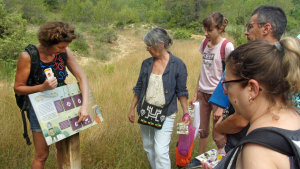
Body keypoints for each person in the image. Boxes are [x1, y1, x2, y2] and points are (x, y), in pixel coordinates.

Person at [207, 37, 300, 169]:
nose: (225, 92)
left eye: (227, 84)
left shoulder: (257, 151)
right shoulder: (295, 116)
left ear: (252, 89)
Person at [14, 22, 89, 169]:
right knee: (42, 156)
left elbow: (82, 78)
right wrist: (42, 87)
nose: (63, 50)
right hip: (40, 108)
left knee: (64, 150)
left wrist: (85, 105)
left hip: (63, 104)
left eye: (65, 46)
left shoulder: (65, 52)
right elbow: (18, 88)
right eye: (60, 47)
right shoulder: (28, 56)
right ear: (48, 42)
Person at [128, 27, 190, 169]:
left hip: (166, 113)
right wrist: (132, 108)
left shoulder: (178, 64)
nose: (147, 49)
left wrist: (186, 112)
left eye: (150, 46)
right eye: (147, 46)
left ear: (161, 44)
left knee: (160, 151)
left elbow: (182, 91)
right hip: (146, 111)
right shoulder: (146, 63)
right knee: (148, 147)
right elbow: (138, 88)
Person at [189, 12, 234, 155]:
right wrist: (196, 93)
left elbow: (230, 75)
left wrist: (222, 105)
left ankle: (222, 160)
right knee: (202, 129)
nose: (206, 33)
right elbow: (203, 70)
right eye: (205, 29)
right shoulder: (204, 44)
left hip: (217, 95)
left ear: (220, 28)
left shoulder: (227, 46)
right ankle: (200, 158)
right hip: (203, 92)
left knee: (218, 132)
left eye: (210, 30)